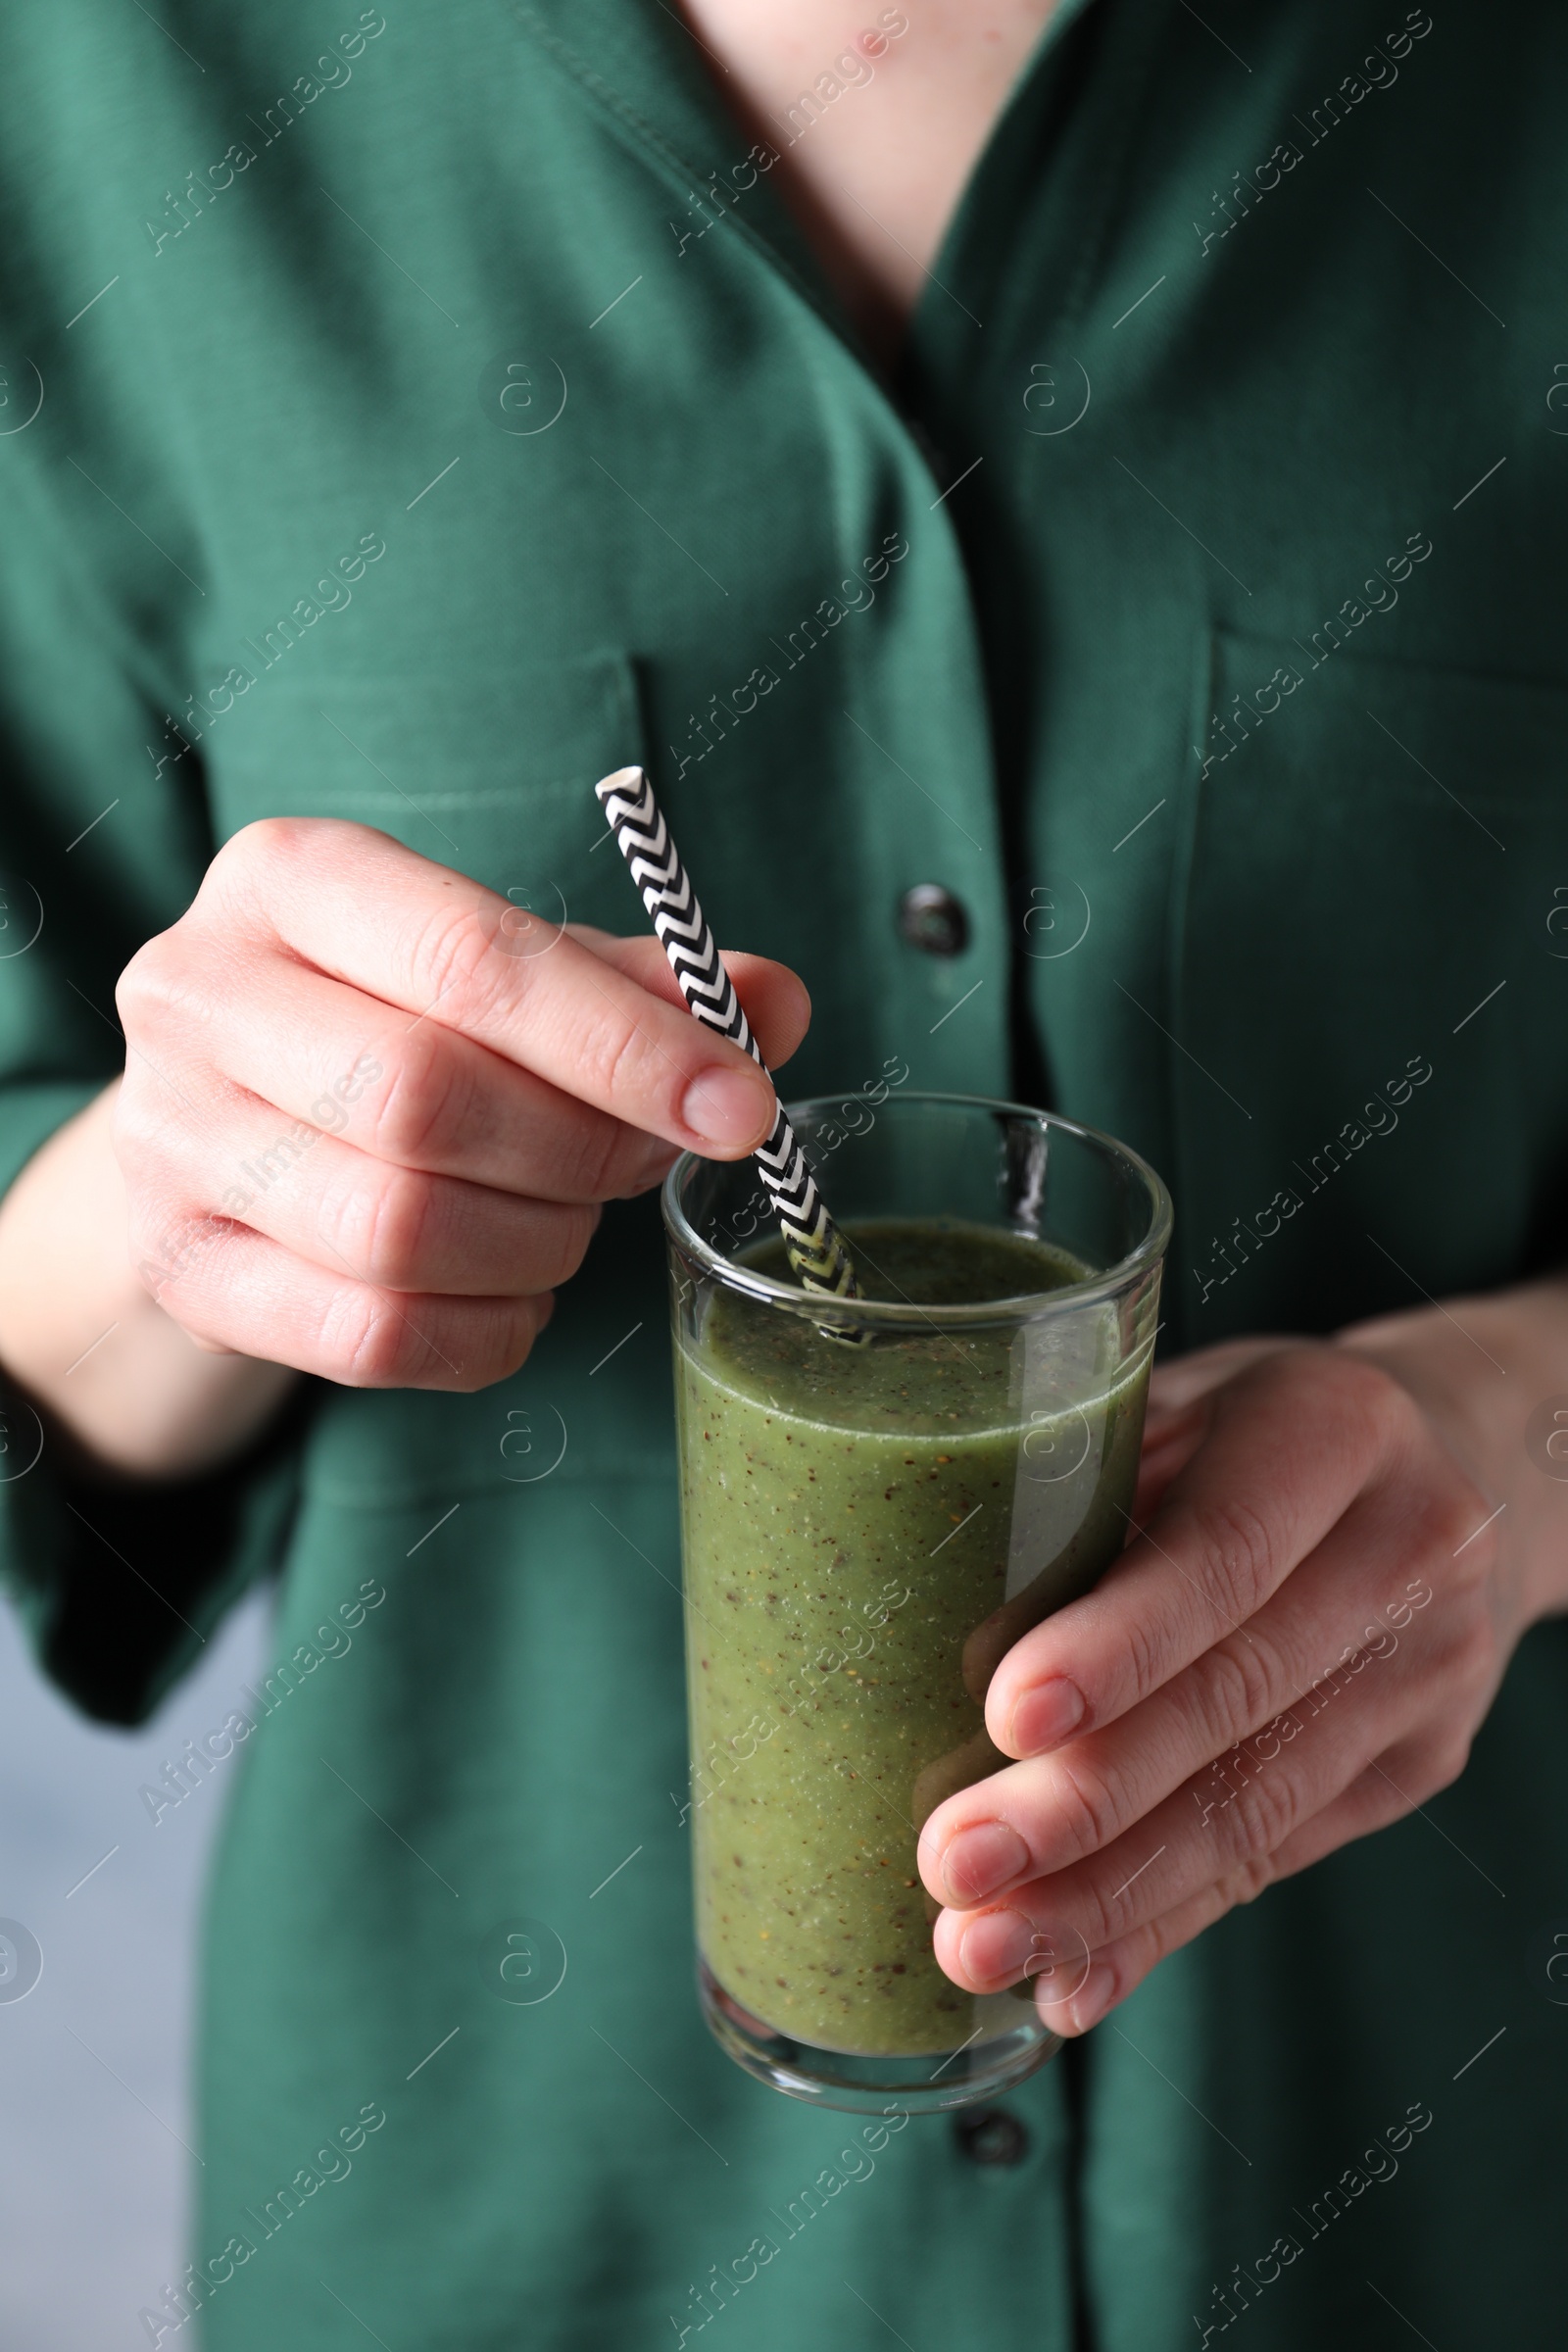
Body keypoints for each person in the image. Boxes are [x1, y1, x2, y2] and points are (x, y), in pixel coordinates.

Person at [1, 0, 1563, 2343]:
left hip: (1416, 2199)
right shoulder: (107, 78)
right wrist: (175, 1190)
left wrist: (1516, 1450)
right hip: (510, 2230)